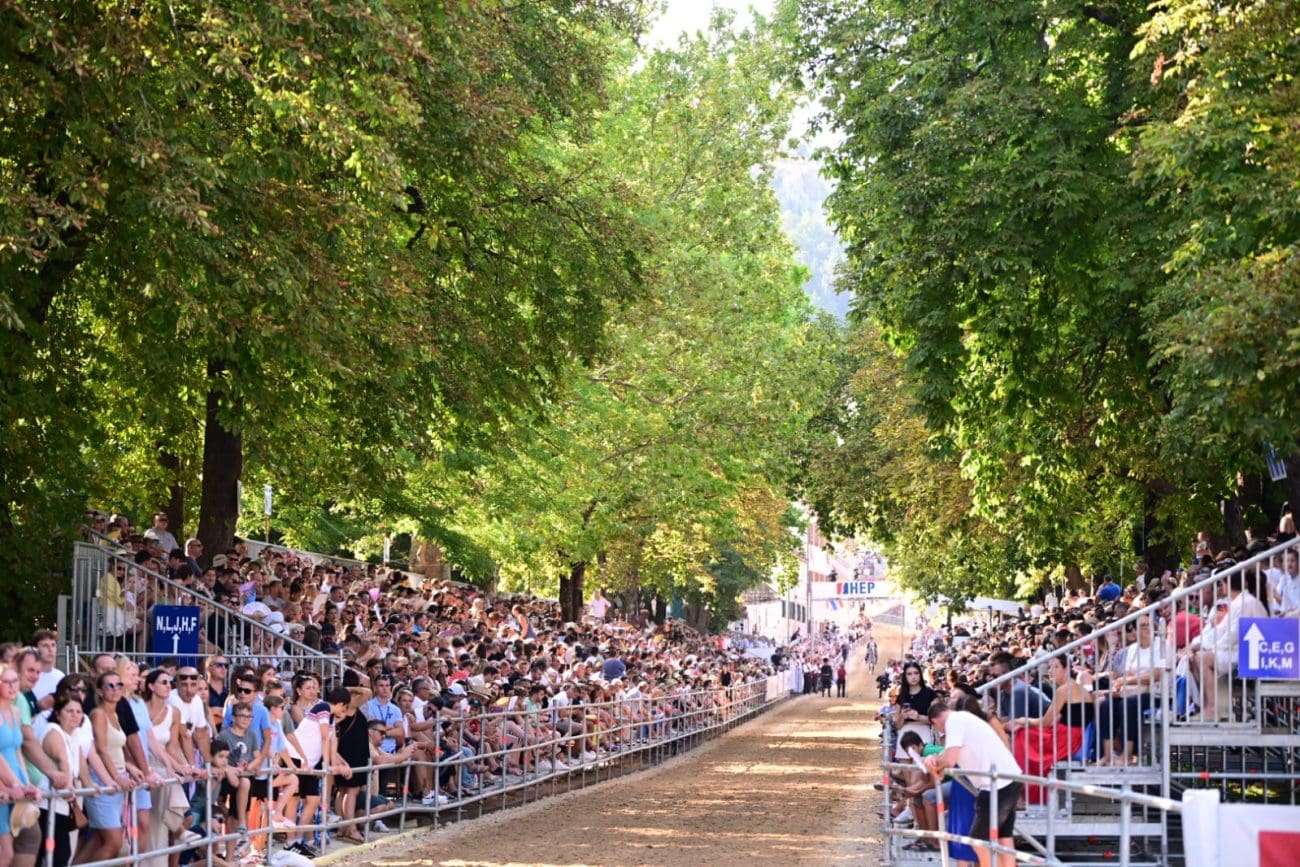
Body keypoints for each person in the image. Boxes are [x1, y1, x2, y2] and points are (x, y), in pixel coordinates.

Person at [925, 703, 1023, 867]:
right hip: (1008, 778)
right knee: (1003, 836)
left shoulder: (954, 721)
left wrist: (934, 763)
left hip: (996, 785)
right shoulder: (963, 719)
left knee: (978, 840)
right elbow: (949, 754)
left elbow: (950, 760)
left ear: (935, 721)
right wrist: (936, 759)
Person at [1008, 655, 1091, 802]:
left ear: (1066, 669)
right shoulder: (1078, 688)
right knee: (1026, 734)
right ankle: (1026, 791)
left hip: (1066, 738)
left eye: (1055, 667)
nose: (1051, 671)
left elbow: (1046, 721)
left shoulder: (1064, 690)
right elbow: (1061, 717)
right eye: (1049, 667)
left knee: (1023, 735)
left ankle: (1025, 793)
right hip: (1072, 735)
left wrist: (1024, 720)